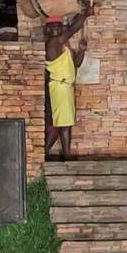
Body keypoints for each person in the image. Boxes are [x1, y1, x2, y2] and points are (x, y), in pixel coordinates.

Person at [44, 9, 93, 160]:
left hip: (65, 88)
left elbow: (76, 64)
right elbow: (72, 29)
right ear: (47, 29)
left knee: (62, 124)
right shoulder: (53, 43)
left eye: (58, 26)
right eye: (52, 27)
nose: (56, 29)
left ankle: (56, 153)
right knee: (63, 124)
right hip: (60, 88)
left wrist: (82, 50)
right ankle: (65, 154)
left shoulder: (63, 46)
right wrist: (85, 14)